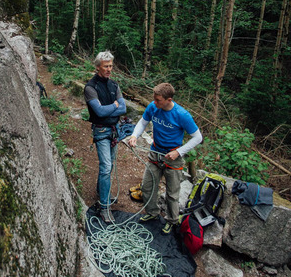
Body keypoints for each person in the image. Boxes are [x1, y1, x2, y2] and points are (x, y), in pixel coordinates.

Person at [126, 83, 202, 234]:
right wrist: (134, 135)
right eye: (154, 99)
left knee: (172, 194)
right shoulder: (153, 107)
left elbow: (198, 137)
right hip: (155, 153)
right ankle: (152, 212)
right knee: (147, 187)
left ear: (169, 100)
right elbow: (143, 122)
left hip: (173, 157)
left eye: (158, 100)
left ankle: (172, 221)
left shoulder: (182, 115)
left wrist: (178, 152)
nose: (154, 102)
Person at [84, 51, 127, 223]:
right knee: (106, 167)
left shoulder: (114, 85)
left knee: (108, 166)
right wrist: (115, 106)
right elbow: (99, 112)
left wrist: (112, 107)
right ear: (97, 67)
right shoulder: (90, 88)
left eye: (110, 66)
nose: (109, 69)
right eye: (106, 66)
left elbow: (123, 108)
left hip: (114, 130)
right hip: (101, 131)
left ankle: (101, 191)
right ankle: (104, 206)